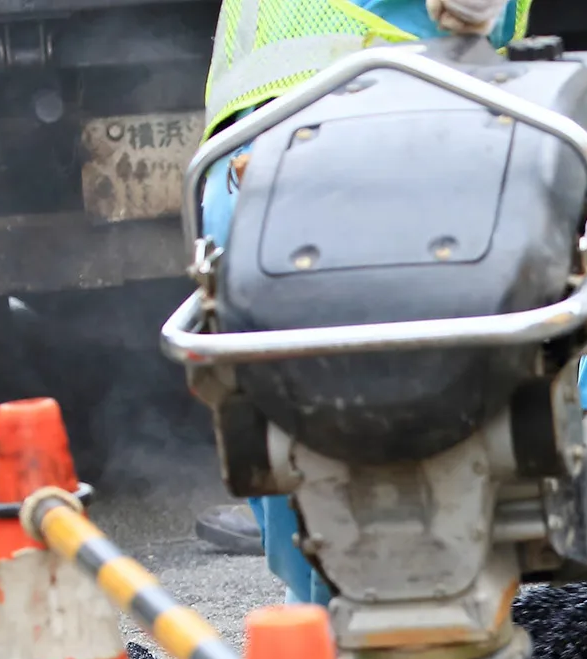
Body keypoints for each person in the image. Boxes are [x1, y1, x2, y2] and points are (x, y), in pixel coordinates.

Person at [194, 0, 520, 598]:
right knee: (386, 449)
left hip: (249, 158)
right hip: (374, 153)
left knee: (288, 447)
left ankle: (326, 645)